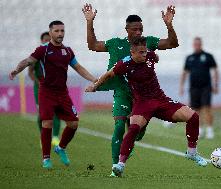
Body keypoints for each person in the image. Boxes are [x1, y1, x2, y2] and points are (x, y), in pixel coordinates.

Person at [86, 36, 207, 177]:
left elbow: (155, 57)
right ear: (132, 52)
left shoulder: (149, 55)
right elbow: (108, 75)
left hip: (161, 100)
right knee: (133, 129)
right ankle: (120, 164)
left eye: (145, 51)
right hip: (142, 103)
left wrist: (154, 57)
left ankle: (192, 152)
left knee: (193, 116)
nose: (144, 54)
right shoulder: (123, 65)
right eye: (141, 53)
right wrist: (95, 87)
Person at [82, 3, 179, 176]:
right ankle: (115, 168)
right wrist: (89, 22)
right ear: (126, 29)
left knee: (137, 132)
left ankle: (129, 142)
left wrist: (169, 24)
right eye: (135, 29)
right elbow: (93, 45)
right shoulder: (115, 44)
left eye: (141, 29)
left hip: (143, 97)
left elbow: (172, 43)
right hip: (122, 92)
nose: (139, 32)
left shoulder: (147, 42)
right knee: (119, 125)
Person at [9, 20, 97, 169]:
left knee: (74, 123)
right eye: (56, 31)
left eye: (62, 31)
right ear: (50, 33)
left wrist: (95, 79)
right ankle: (46, 158)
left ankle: (61, 148)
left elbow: (78, 67)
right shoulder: (42, 49)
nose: (60, 34)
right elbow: (28, 61)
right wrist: (17, 70)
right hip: (46, 92)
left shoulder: (68, 51)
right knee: (47, 123)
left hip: (63, 93)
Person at [179, 37, 219, 139]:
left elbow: (215, 71)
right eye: (195, 44)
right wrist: (181, 86)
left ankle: (210, 130)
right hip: (194, 88)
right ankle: (200, 130)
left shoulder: (208, 56)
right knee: (196, 111)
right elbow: (184, 73)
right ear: (193, 45)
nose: (197, 46)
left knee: (206, 108)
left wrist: (216, 85)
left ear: (201, 45)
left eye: (199, 44)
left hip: (206, 87)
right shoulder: (189, 58)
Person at [28, 31, 61, 146]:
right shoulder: (37, 55)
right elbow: (30, 72)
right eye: (45, 40)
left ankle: (55, 137)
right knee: (42, 114)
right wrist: (39, 83)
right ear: (42, 41)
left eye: (49, 39)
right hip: (40, 89)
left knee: (56, 112)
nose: (47, 41)